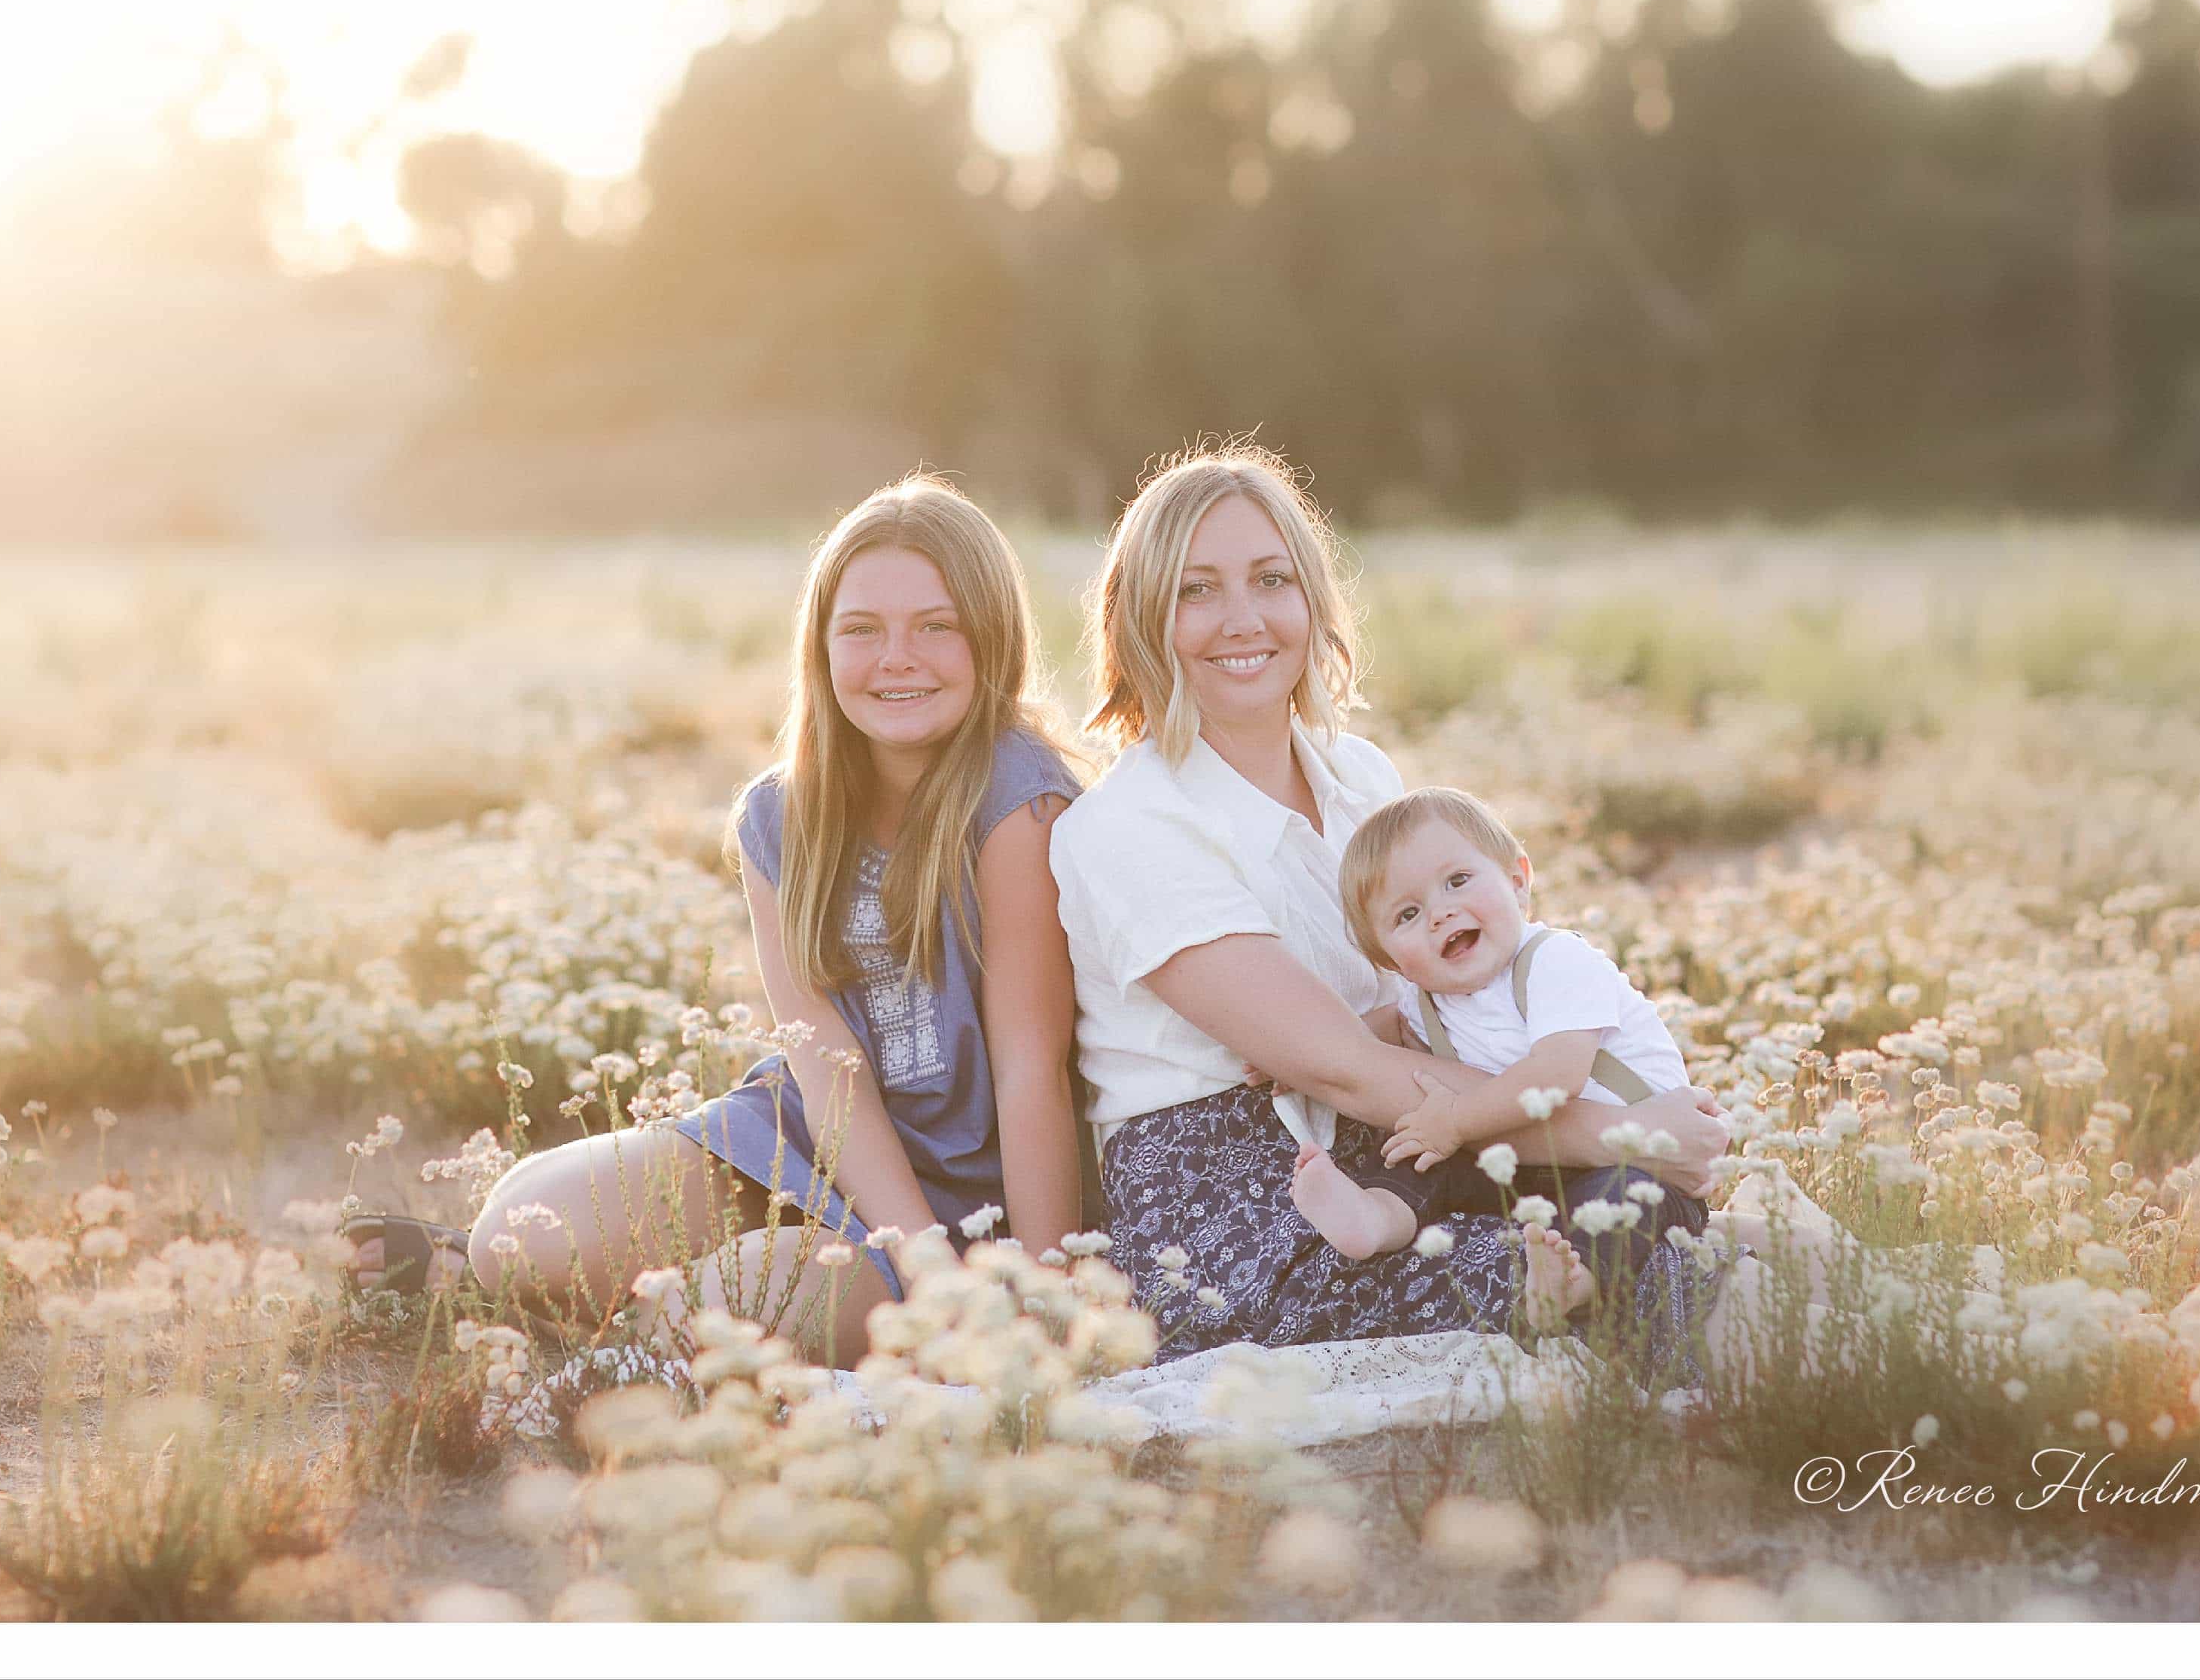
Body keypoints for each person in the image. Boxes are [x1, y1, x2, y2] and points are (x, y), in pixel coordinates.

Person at [345, 475, 1084, 1361]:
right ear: (818, 646)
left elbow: (1030, 1068)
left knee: (723, 1307)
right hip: (815, 1142)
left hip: (983, 1191)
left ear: (992, 639)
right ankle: (494, 1277)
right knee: (523, 1230)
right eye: (862, 629)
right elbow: (823, 1065)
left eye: (937, 626)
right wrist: (911, 1255)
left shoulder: (1017, 801)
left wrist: (1039, 1291)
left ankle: (648, 1329)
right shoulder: (779, 817)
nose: (898, 657)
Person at [1047, 438, 1732, 1364]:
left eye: (1271, 580)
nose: (1241, 619)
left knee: (1651, 1227)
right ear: (1136, 619)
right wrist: (1626, 1131)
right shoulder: (1127, 826)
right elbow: (1338, 1069)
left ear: (1313, 602)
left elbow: (1432, 1002)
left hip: (1410, 1139)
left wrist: (1625, 1144)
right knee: (1593, 1262)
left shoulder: (1360, 780)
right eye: (1193, 591)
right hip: (1235, 1191)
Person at [1275, 787, 1699, 1322]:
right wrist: (1294, 1055)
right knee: (1420, 1152)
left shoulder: (1556, 961)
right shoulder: (1422, 999)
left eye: (1457, 881)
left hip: (1643, 1159)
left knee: (1623, 1198)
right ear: (1391, 961)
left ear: (1518, 880)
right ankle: (1375, 1216)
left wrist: (1453, 1120)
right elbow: (1367, 1035)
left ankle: (1571, 1281)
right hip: (1532, 1163)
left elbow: (1556, 1076)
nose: (1440, 913)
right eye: (1407, 914)